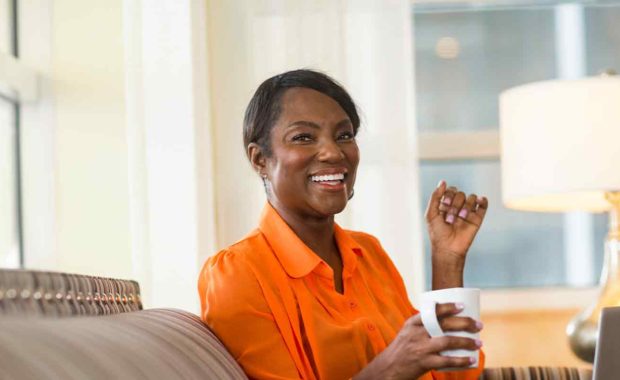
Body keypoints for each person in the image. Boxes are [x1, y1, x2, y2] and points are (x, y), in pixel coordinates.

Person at [198, 69, 488, 380]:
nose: (333, 152)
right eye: (303, 137)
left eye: (344, 135)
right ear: (259, 159)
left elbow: (453, 376)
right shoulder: (237, 274)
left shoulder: (367, 252)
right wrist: (390, 368)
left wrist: (447, 259)